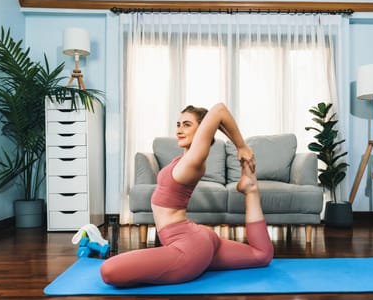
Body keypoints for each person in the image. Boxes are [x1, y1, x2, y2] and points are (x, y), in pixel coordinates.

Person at [100, 103, 273, 287]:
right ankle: (251, 188)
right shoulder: (183, 159)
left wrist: (242, 146)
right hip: (199, 238)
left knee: (108, 271)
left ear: (201, 130)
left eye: (187, 124)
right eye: (178, 124)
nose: (179, 130)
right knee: (261, 255)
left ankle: (249, 188)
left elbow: (220, 110)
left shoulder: (194, 160)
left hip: (188, 249)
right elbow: (217, 119)